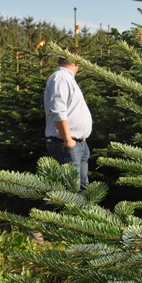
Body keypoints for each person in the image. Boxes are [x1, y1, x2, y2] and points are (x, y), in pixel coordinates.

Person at [44, 50, 92, 191]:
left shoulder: (67, 78)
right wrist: (68, 140)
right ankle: (45, 213)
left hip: (80, 144)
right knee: (69, 192)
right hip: (67, 143)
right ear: (76, 61)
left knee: (82, 189)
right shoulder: (60, 78)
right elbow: (58, 110)